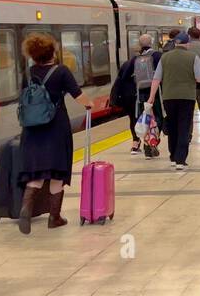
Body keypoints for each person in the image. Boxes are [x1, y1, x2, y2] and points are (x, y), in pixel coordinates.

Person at [18, 33, 92, 235]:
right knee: (56, 172)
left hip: (32, 130)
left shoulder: (28, 72)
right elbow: (79, 95)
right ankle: (54, 217)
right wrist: (89, 104)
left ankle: (26, 208)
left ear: (33, 55)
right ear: (53, 52)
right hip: (56, 127)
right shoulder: (61, 72)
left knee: (36, 173)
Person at [145, 31, 200, 170]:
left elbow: (156, 78)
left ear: (175, 43)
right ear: (188, 44)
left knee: (172, 126)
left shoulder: (165, 57)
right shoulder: (193, 57)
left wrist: (151, 97)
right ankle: (180, 159)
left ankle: (173, 157)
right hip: (187, 97)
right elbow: (199, 78)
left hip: (169, 97)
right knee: (184, 126)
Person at [110, 33, 160, 155]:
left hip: (135, 95)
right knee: (153, 118)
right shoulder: (158, 56)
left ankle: (135, 142)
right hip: (153, 94)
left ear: (139, 45)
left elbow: (123, 77)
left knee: (135, 118)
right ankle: (150, 142)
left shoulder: (133, 60)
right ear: (151, 43)